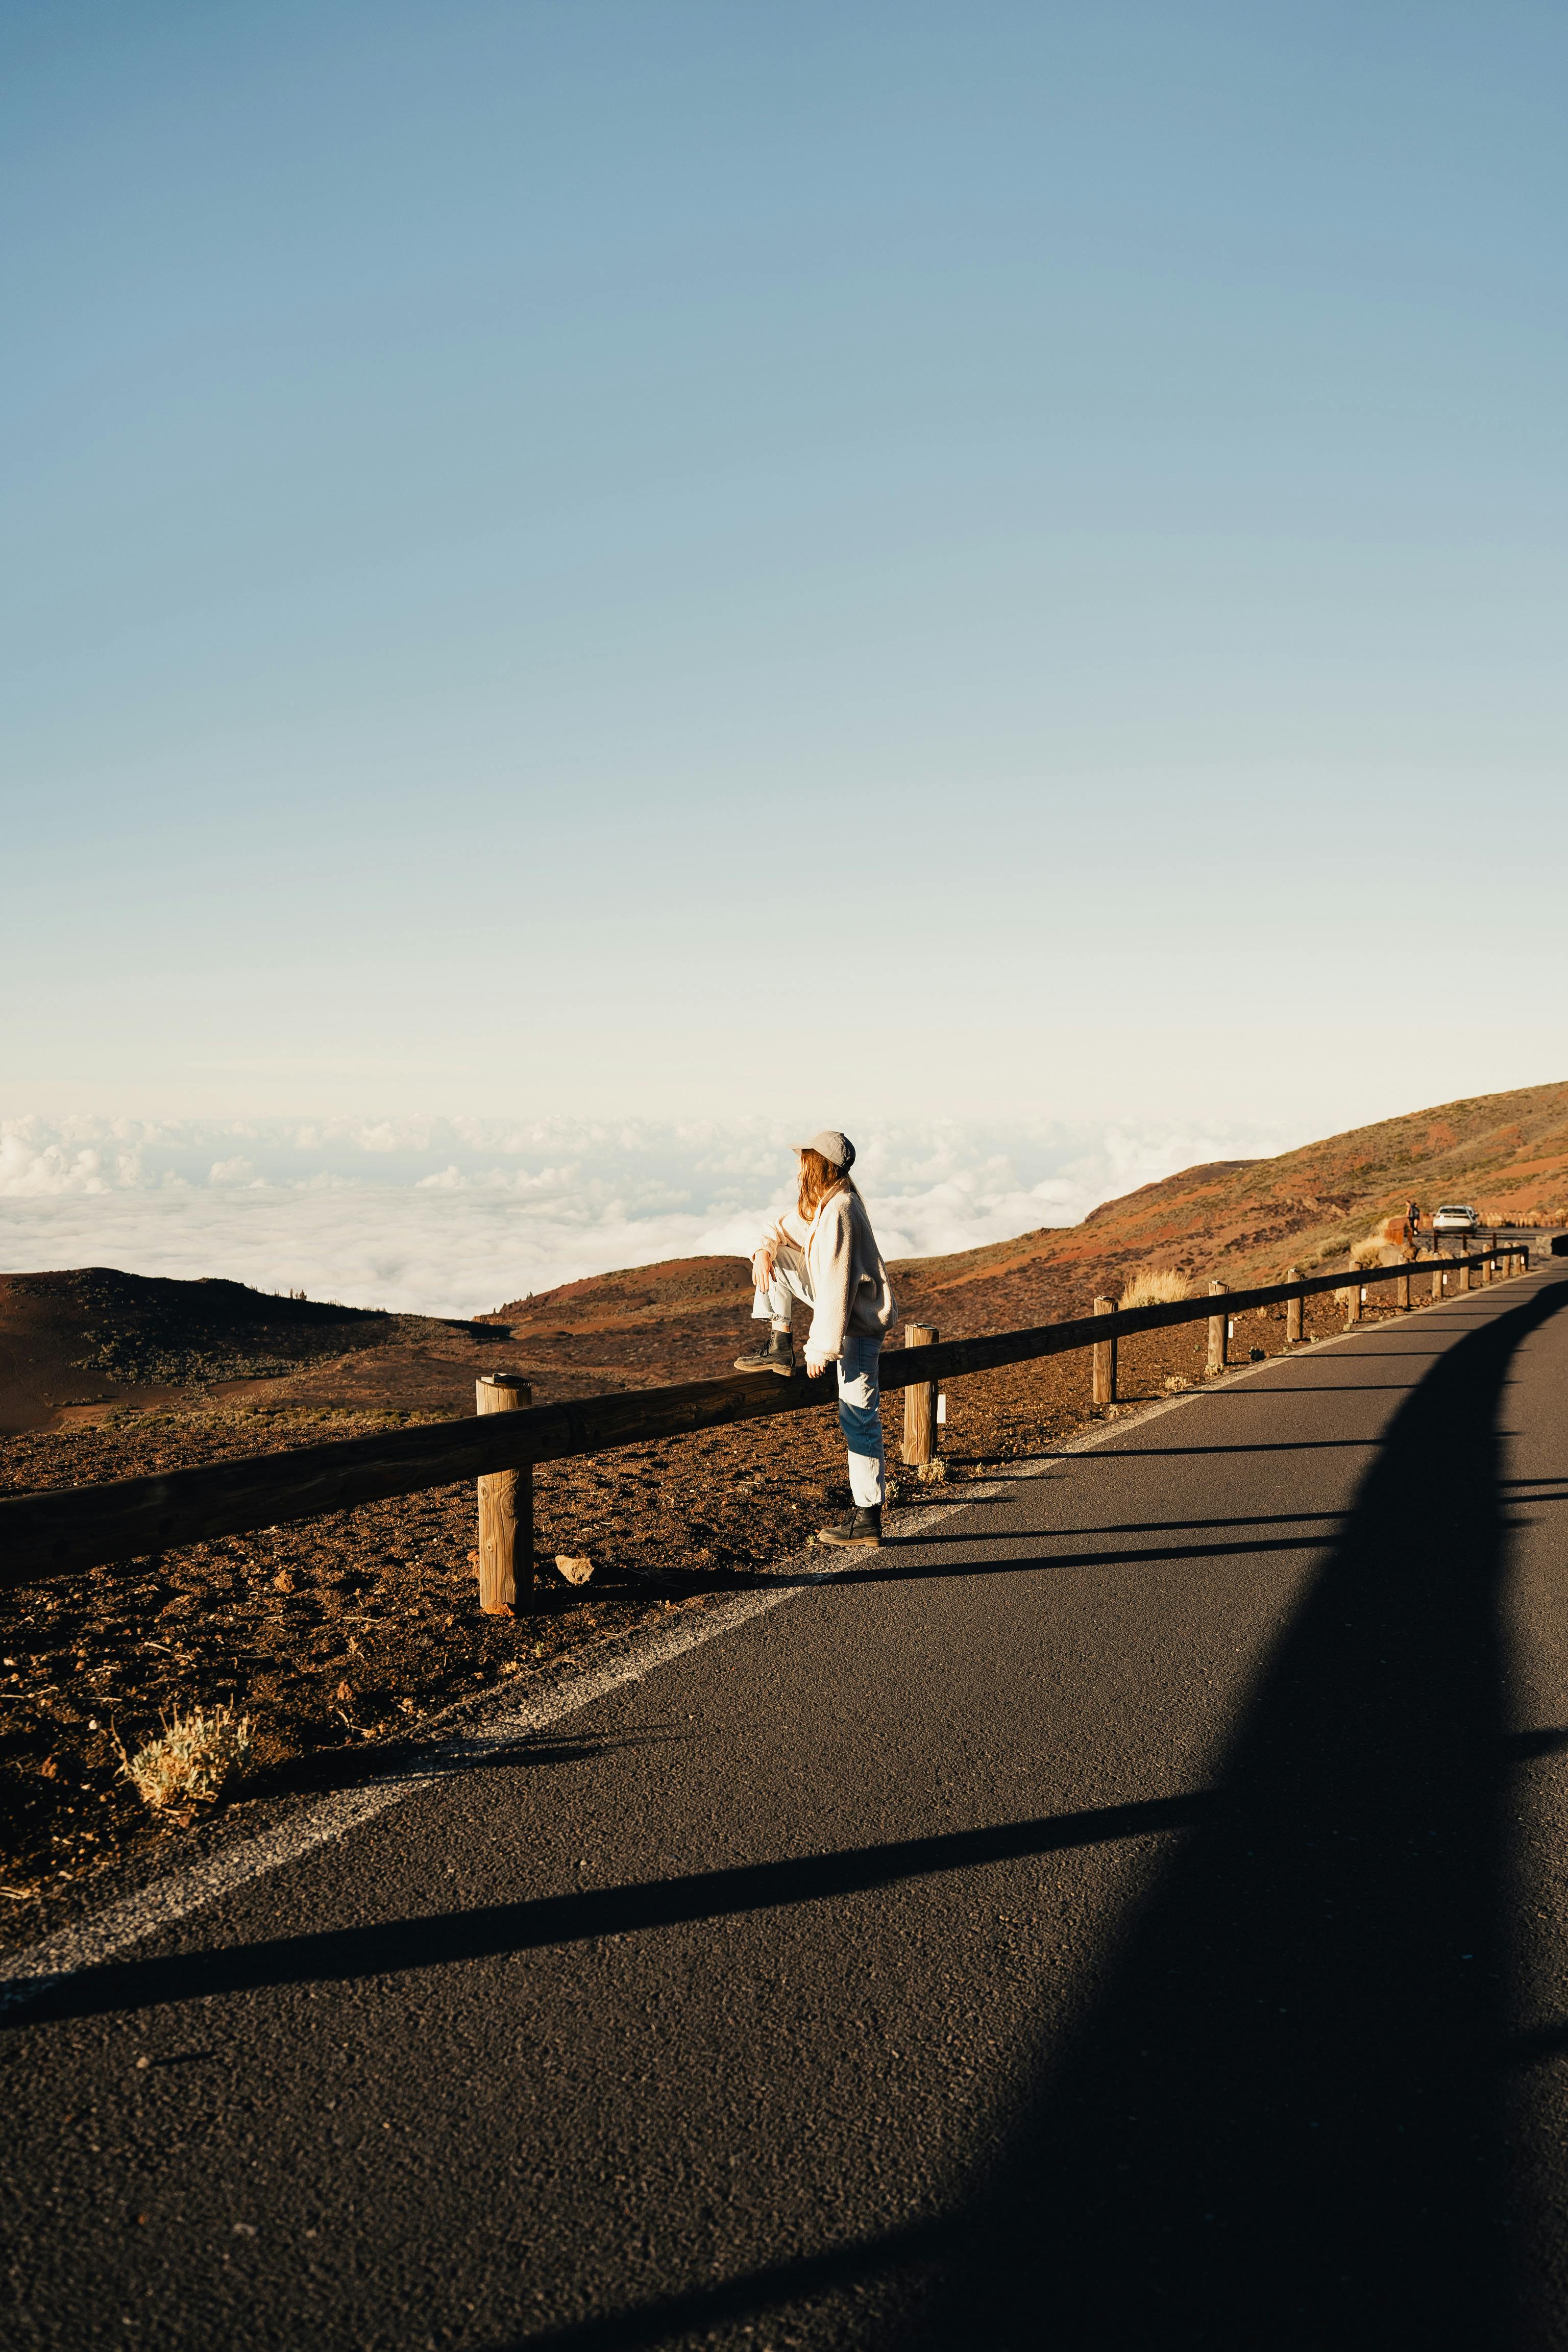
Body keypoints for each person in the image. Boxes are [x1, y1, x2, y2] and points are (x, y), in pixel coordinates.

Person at [734, 1130, 897, 1548]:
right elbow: (776, 1228)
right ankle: (778, 1340)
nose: (798, 1167)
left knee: (859, 1417)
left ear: (819, 1165)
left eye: (804, 1159)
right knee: (777, 1256)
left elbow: (839, 1285)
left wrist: (821, 1348)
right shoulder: (826, 1204)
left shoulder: (840, 1209)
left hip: (855, 1330)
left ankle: (867, 1518)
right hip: (845, 1320)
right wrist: (763, 1251)